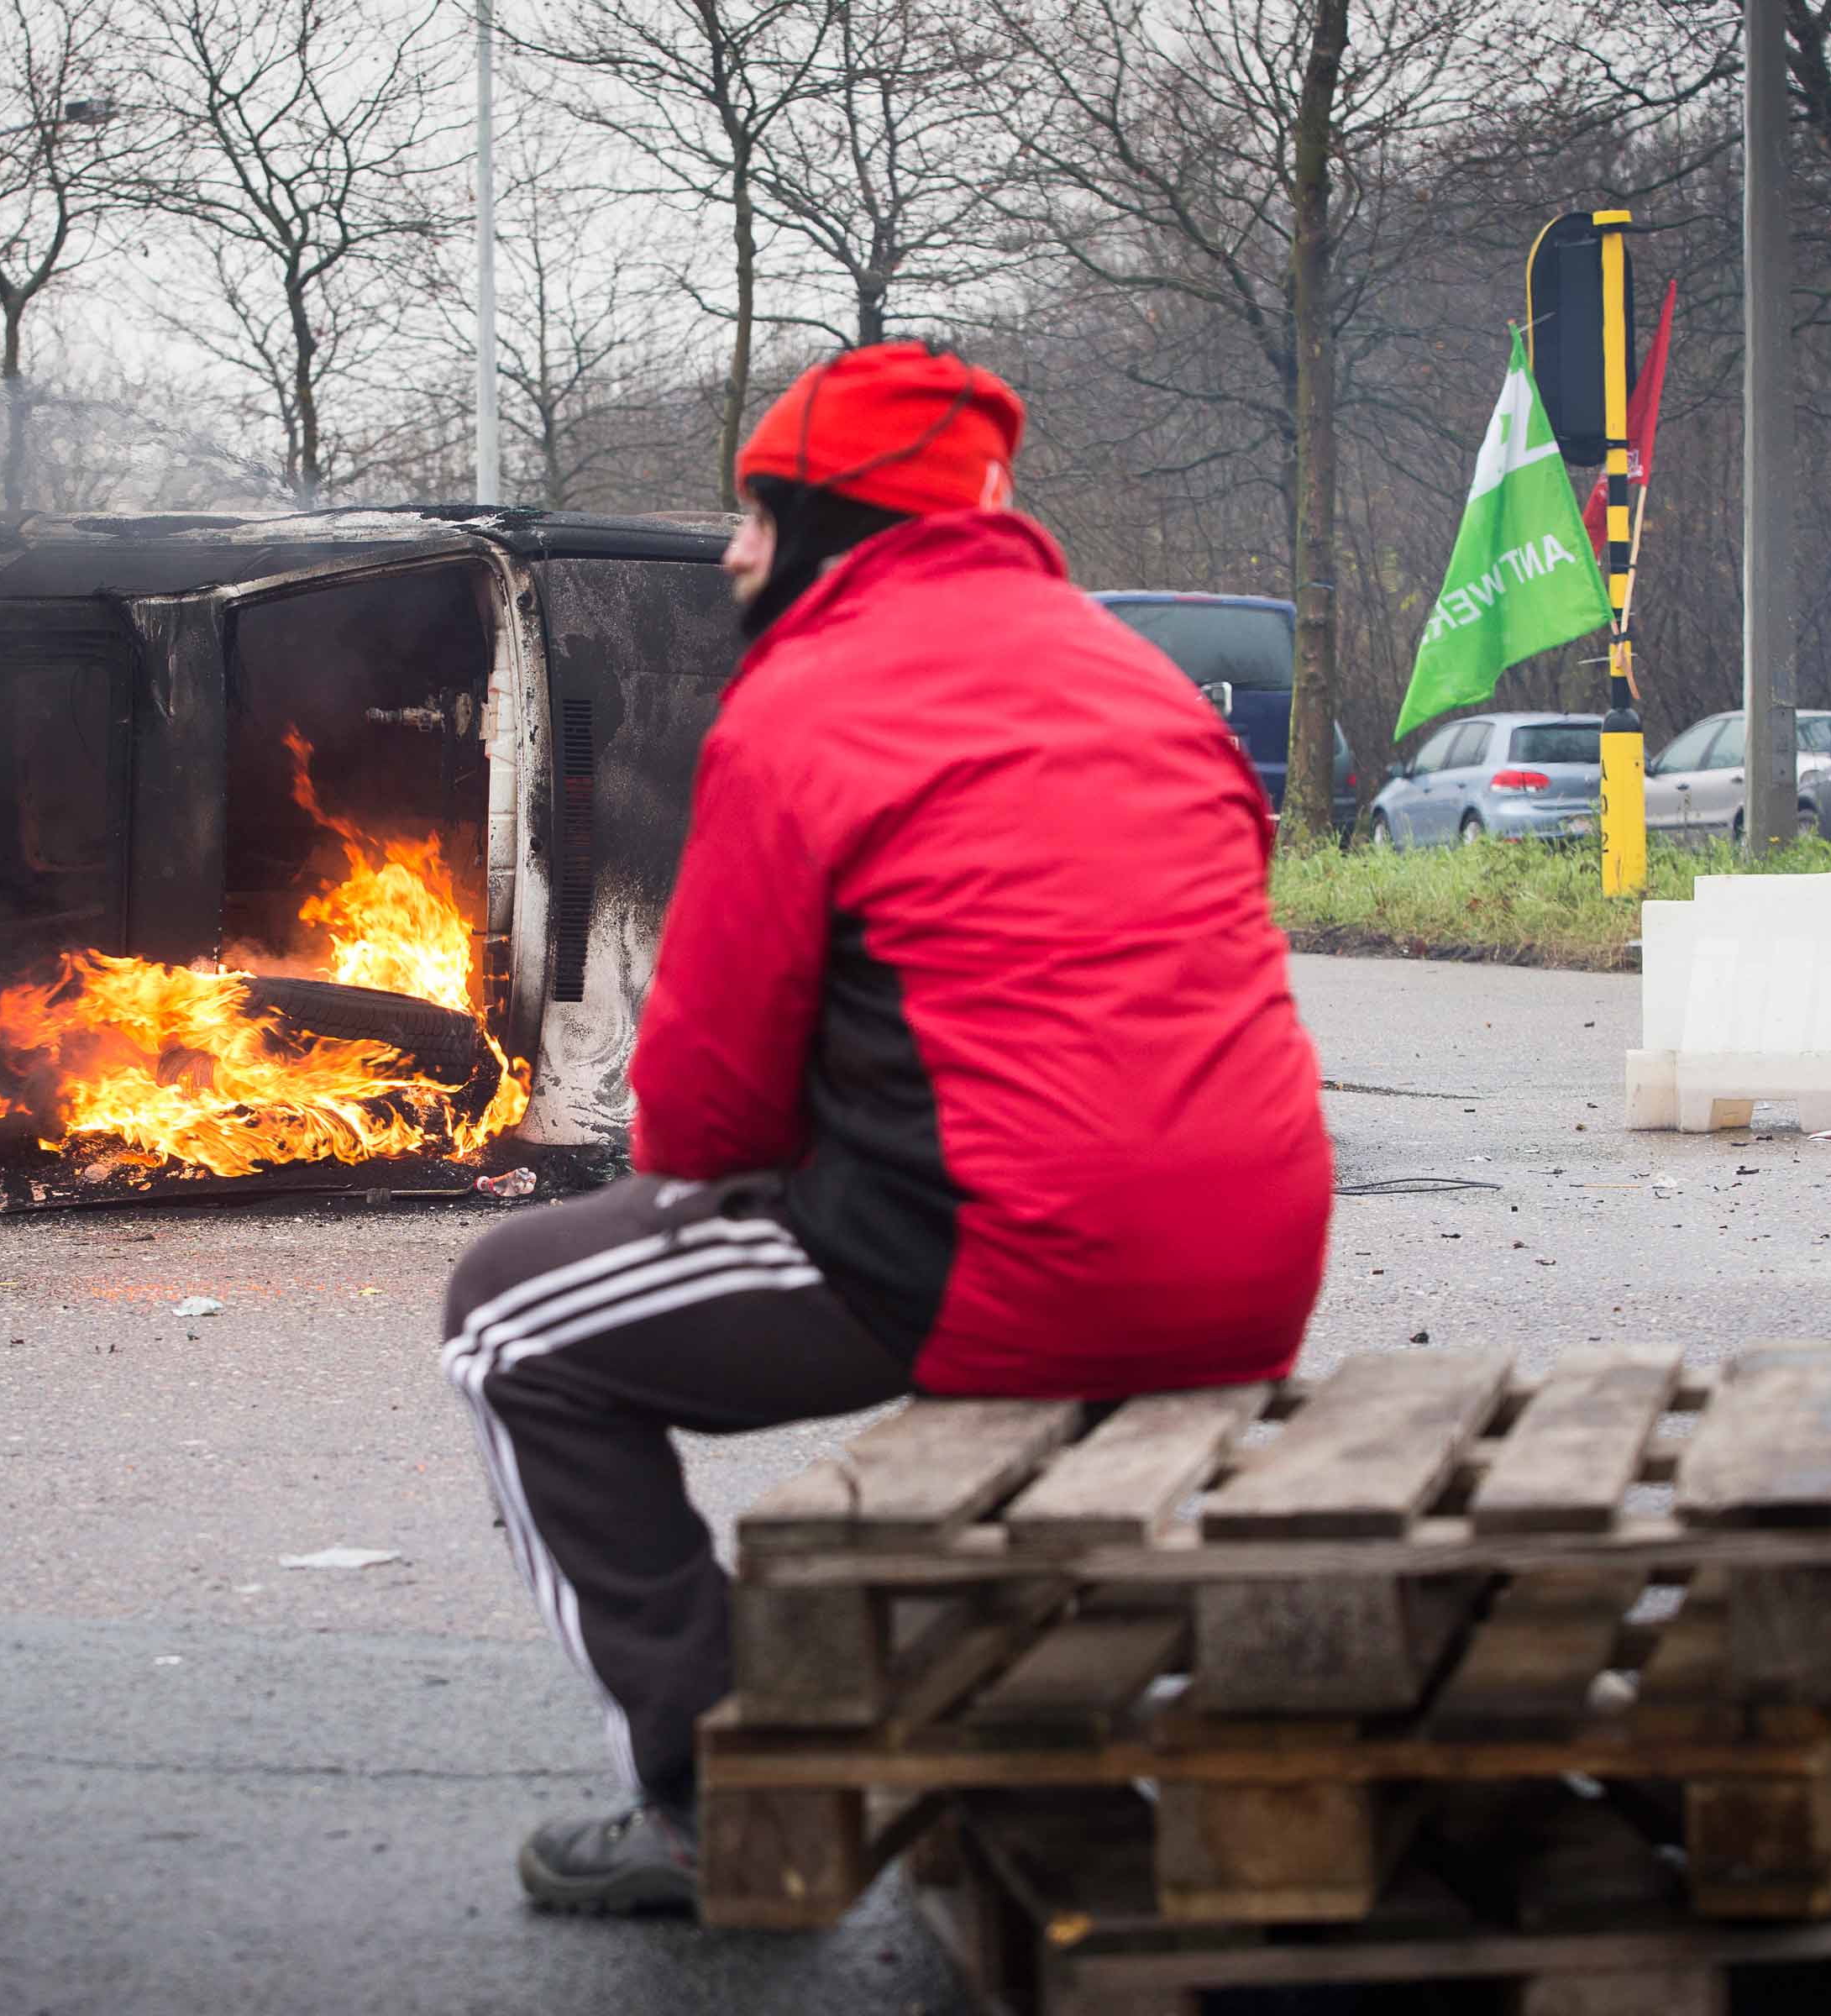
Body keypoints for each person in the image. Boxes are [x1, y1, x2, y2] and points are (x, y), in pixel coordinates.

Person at [439, 340, 1332, 1915]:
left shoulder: (805, 704)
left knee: (509, 1322)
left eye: (756, 521)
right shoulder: (1137, 677)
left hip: (1018, 1256)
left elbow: (700, 1115)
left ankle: (713, 1795)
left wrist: (794, 1148)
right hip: (1257, 1262)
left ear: (834, 531)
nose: (730, 555)